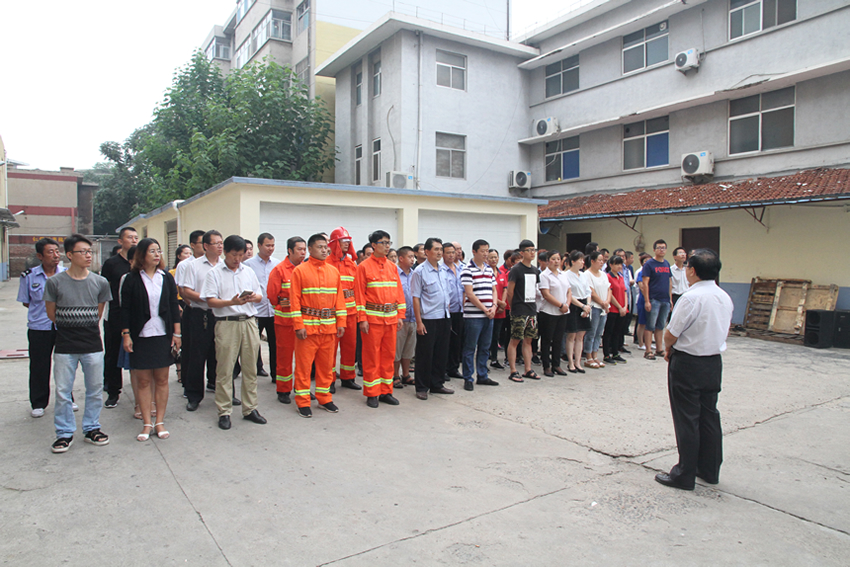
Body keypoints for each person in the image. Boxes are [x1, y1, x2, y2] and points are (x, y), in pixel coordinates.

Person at [655, 249, 734, 491]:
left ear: (692, 271)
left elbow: (671, 333)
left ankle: (685, 473)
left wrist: (668, 349)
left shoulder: (690, 298)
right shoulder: (724, 297)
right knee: (709, 416)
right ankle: (709, 469)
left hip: (688, 362)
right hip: (712, 362)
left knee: (687, 418)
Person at [44, 234, 112, 453]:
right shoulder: (55, 282)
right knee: (63, 391)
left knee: (95, 389)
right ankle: (64, 433)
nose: (88, 256)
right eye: (83, 252)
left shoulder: (100, 282)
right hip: (65, 345)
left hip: (92, 344)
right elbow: (52, 314)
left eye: (90, 252)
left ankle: (92, 428)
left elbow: (98, 313)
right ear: (69, 255)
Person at [201, 235, 266, 430]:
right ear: (225, 252)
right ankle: (224, 410)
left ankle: (250, 408)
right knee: (225, 369)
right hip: (227, 323)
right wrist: (232, 302)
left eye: (241, 255)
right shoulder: (214, 273)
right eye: (234, 255)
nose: (237, 259)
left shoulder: (248, 271)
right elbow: (210, 301)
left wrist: (253, 297)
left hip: (249, 322)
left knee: (250, 368)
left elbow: (260, 296)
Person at [120, 238, 181, 441]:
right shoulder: (132, 279)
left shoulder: (166, 277)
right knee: (144, 381)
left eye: (158, 251)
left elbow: (173, 306)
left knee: (162, 379)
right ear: (142, 255)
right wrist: (126, 334)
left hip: (162, 335)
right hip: (141, 336)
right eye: (152, 251)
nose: (157, 255)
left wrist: (177, 333)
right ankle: (147, 423)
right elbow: (125, 309)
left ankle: (160, 421)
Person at [289, 233, 347, 417]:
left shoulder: (333, 272)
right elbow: (294, 301)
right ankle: (303, 401)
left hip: (328, 328)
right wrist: (298, 325)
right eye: (320, 247)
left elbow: (339, 300)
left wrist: (341, 322)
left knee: (326, 367)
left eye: (325, 247)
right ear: (310, 249)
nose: (324, 250)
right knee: (304, 368)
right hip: (308, 329)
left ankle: (324, 398)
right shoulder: (300, 271)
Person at [18, 238, 69, 418]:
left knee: (66, 365)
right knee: (39, 365)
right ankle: (38, 403)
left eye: (57, 251)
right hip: (39, 327)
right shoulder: (28, 276)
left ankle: (67, 398)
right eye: (50, 252)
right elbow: (26, 301)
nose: (55, 255)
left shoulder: (67, 274)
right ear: (40, 256)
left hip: (63, 326)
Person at [355, 230, 406, 408]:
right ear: (373, 245)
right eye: (383, 243)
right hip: (373, 320)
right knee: (372, 357)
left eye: (388, 243)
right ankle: (372, 393)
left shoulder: (392, 267)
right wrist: (362, 318)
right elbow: (359, 295)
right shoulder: (363, 267)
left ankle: (386, 391)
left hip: (391, 319)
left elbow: (399, 293)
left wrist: (400, 315)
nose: (387, 246)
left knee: (388, 357)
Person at [180, 230, 224, 411]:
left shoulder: (225, 265)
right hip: (200, 314)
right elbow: (186, 291)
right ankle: (194, 395)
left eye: (221, 243)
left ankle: (222, 391)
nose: (220, 246)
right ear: (206, 246)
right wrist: (208, 298)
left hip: (221, 315)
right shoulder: (193, 266)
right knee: (197, 356)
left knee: (221, 356)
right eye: (216, 243)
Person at [410, 238, 454, 400]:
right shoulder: (420, 271)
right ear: (427, 252)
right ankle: (422, 387)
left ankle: (437, 384)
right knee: (425, 354)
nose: (439, 252)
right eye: (436, 249)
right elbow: (416, 298)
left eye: (440, 249)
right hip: (428, 318)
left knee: (441, 353)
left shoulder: (443, 270)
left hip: (444, 317)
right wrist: (419, 322)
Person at [100, 226, 138, 408]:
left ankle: (140, 394)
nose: (134, 240)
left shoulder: (140, 262)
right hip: (114, 314)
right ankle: (113, 391)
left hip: (135, 315)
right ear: (120, 241)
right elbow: (103, 289)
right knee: (113, 354)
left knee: (136, 354)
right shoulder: (111, 264)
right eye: (130, 237)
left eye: (136, 237)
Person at [267, 237, 306, 404]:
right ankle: (283, 389)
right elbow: (272, 296)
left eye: (304, 249)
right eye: (299, 249)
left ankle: (301, 388)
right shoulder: (279, 270)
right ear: (290, 251)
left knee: (304, 358)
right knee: (284, 357)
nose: (303, 253)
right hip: (285, 322)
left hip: (304, 322)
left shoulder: (306, 269)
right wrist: (286, 303)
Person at [460, 239, 499, 391]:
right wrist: (485, 309)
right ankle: (468, 378)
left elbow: (494, 290)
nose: (485, 254)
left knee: (485, 347)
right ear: (474, 251)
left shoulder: (489, 269)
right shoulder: (467, 270)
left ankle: (482, 375)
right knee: (470, 348)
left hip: (489, 315)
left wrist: (494, 306)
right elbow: (469, 294)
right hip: (473, 316)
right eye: (483, 251)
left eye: (487, 251)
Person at [327, 227, 362, 391]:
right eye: (343, 241)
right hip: (333, 314)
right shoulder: (327, 263)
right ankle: (329, 380)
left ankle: (348, 378)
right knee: (331, 349)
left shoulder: (351, 264)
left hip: (351, 313)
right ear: (335, 243)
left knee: (350, 347)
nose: (347, 244)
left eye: (348, 241)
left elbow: (357, 289)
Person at [243, 233, 280, 382]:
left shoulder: (277, 264)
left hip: (273, 310)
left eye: (272, 245)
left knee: (275, 344)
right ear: (259, 245)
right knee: (252, 344)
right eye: (267, 245)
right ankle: (255, 370)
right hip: (256, 311)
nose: (270, 248)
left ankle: (276, 374)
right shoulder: (248, 265)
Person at [505, 240, 540, 383]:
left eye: (534, 250)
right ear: (522, 253)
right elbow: (510, 292)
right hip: (519, 310)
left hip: (531, 309)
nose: (532, 253)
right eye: (529, 250)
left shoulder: (535, 270)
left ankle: (528, 369)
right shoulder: (516, 270)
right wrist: (513, 307)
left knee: (528, 340)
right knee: (515, 339)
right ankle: (513, 370)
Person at [537, 250, 571, 377]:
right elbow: (546, 294)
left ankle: (556, 365)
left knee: (558, 339)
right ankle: (546, 366)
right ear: (547, 261)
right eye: (553, 259)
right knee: (546, 340)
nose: (556, 261)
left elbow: (569, 291)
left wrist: (566, 305)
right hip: (548, 312)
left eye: (558, 259)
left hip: (563, 312)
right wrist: (560, 305)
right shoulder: (544, 275)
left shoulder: (563, 274)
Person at [641, 239, 673, 360]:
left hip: (665, 299)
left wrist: (670, 299)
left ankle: (659, 349)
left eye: (663, 248)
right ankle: (648, 350)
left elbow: (669, 282)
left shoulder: (666, 264)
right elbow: (645, 283)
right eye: (659, 248)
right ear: (654, 250)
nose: (661, 250)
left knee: (660, 326)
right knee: (650, 326)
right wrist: (647, 300)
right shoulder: (649, 264)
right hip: (654, 299)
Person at [393, 246, 417, 389]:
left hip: (413, 318)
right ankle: (395, 375)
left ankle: (406, 375)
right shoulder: (394, 273)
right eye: (409, 257)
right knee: (397, 349)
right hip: (399, 319)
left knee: (409, 349)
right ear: (401, 258)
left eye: (413, 257)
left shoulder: (415, 274)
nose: (412, 259)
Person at [583, 251, 611, 369]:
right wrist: (602, 303)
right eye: (599, 260)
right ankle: (588, 356)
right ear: (592, 261)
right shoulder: (587, 274)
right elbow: (591, 291)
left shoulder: (603, 274)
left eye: (602, 260)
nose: (602, 262)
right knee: (591, 332)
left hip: (604, 307)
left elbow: (609, 289)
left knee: (599, 333)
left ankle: (595, 355)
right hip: (595, 306)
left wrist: (607, 302)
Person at [564, 251, 591, 373]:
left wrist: (587, 305)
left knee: (580, 336)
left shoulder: (583, 275)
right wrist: (582, 306)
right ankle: (570, 362)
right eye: (580, 260)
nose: (582, 262)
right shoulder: (566, 275)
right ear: (573, 261)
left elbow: (588, 291)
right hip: (573, 305)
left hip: (584, 304)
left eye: (583, 260)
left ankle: (578, 362)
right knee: (571, 335)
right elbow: (568, 293)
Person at [441, 242, 464, 379]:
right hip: (447, 311)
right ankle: (443, 369)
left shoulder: (461, 268)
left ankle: (453, 368)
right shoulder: (441, 270)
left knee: (457, 341)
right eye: (448, 252)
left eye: (453, 252)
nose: (451, 255)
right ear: (443, 254)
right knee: (445, 342)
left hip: (460, 310)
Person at [602, 255, 629, 366]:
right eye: (617, 264)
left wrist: (625, 306)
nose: (619, 266)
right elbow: (611, 294)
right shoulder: (608, 277)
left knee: (618, 332)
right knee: (609, 332)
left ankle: (615, 352)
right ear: (611, 265)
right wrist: (619, 306)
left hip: (622, 308)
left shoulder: (620, 276)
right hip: (613, 308)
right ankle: (606, 354)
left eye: (620, 264)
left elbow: (625, 292)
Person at [487, 249, 507, 370]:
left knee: (496, 336)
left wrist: (503, 304)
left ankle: (494, 359)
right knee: (487, 336)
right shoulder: (486, 273)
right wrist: (498, 303)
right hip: (490, 309)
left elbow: (505, 289)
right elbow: (489, 291)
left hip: (500, 310)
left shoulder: (502, 273)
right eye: (491, 257)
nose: (494, 259)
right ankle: (485, 359)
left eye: (495, 257)